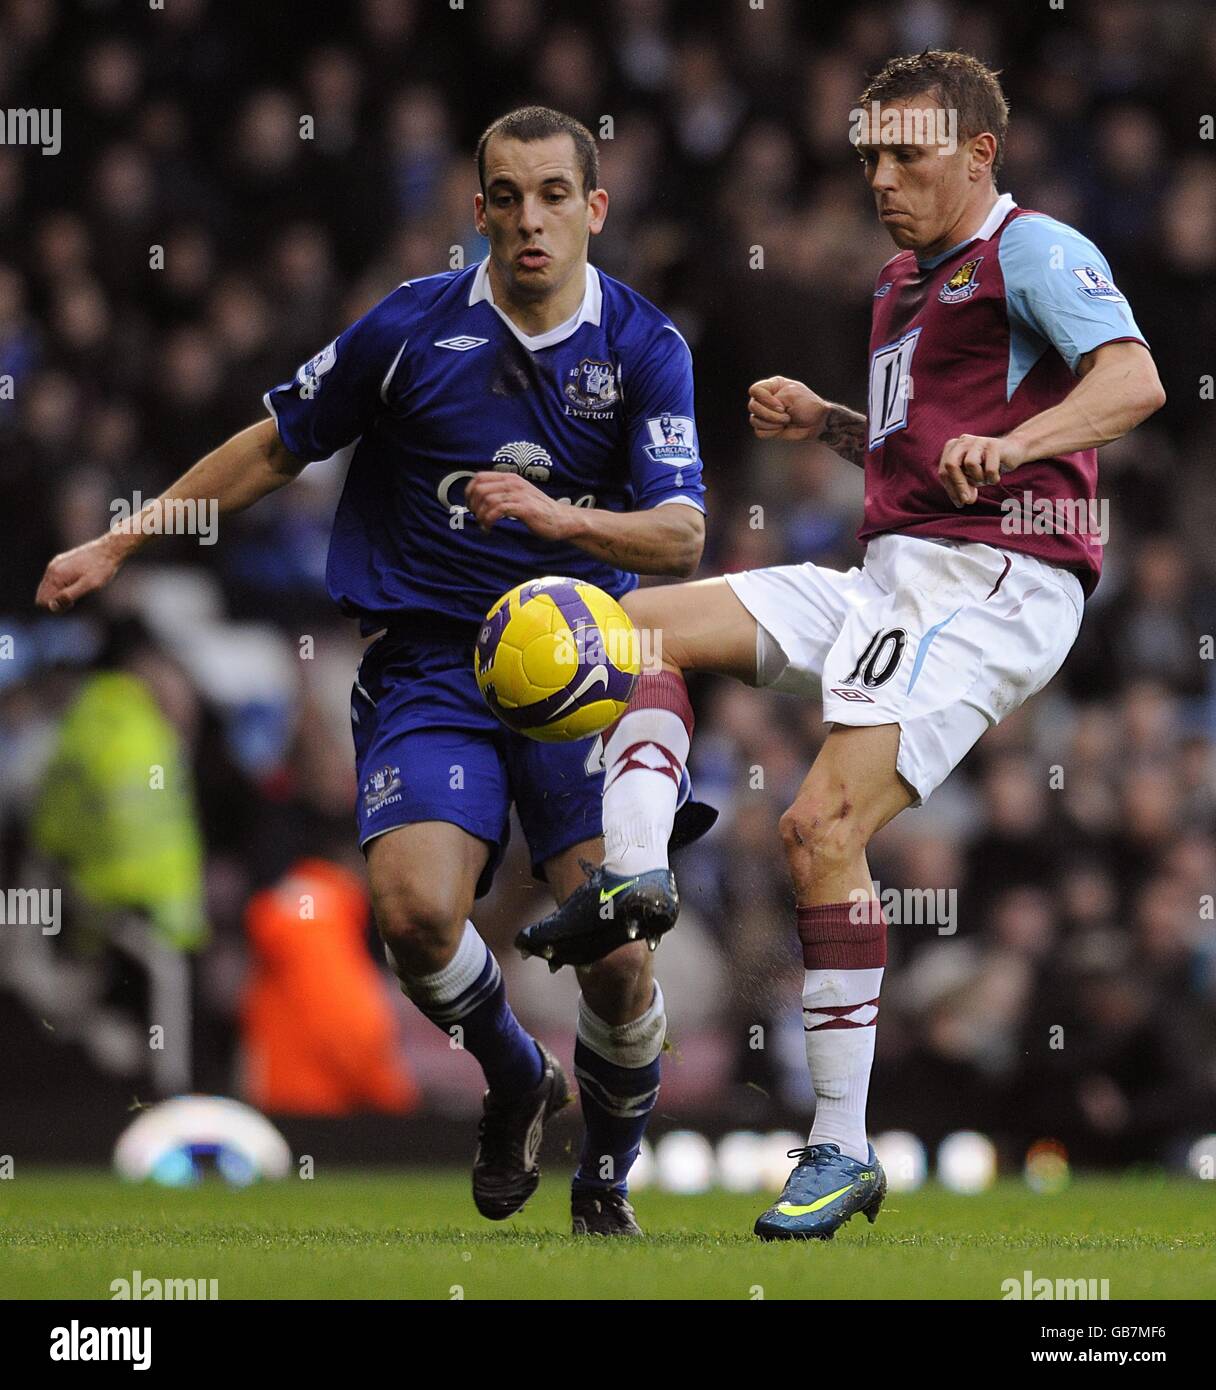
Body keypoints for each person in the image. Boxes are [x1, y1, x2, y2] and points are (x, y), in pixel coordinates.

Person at [517, 51, 1165, 1241]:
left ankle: (839, 1144)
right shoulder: (902, 286)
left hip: (998, 580)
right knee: (612, 620)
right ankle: (635, 866)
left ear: (979, 153)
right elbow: (920, 449)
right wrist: (830, 422)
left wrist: (1023, 453)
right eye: (868, 154)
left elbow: (1132, 380)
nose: (880, 176)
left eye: (907, 154)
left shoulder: (1033, 248)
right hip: (891, 571)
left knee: (818, 827)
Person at [35, 106, 709, 1237]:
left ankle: (604, 1181)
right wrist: (124, 537)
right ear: (479, 207)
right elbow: (271, 445)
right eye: (506, 194)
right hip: (431, 664)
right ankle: (512, 1076)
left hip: (581, 676)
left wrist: (552, 518)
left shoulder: (645, 347)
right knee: (409, 916)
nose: (530, 218)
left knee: (619, 961)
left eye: (554, 194)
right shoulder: (408, 330)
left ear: (595, 208)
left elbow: (682, 535)